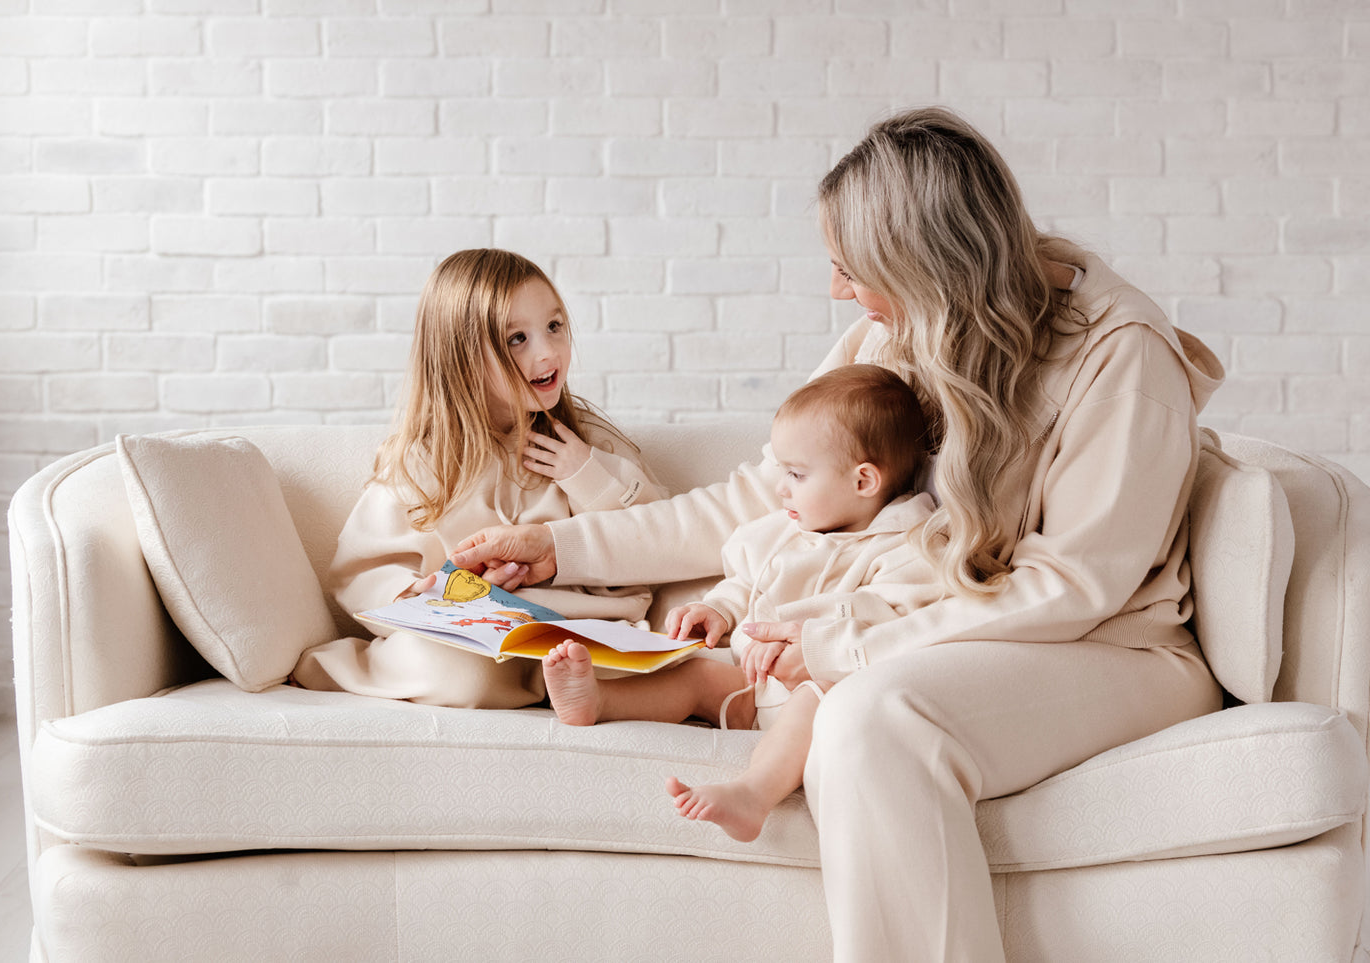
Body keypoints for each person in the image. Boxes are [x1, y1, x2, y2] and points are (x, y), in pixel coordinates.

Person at [451, 107, 1226, 962]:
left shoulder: (1121, 353)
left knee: (872, 713)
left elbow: (1075, 585)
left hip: (1115, 649)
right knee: (848, 712)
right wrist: (565, 547)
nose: (836, 291)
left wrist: (851, 637)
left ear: (927, 263)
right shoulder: (899, 332)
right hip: (964, 635)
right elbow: (771, 493)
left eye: (849, 268)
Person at [540, 364, 943, 844]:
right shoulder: (788, 528)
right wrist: (721, 609)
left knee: (820, 700)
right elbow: (746, 578)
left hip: (813, 695)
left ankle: (753, 793)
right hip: (752, 687)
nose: (781, 489)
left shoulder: (905, 546)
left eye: (796, 474)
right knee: (695, 677)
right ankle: (600, 701)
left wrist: (813, 639)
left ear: (863, 481)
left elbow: (892, 616)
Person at [291, 248, 667, 709]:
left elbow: (660, 535)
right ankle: (345, 668)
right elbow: (364, 570)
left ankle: (564, 686)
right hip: (473, 637)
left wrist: (588, 477)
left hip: (580, 632)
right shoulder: (424, 460)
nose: (548, 352)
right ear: (461, 356)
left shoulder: (588, 442)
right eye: (516, 339)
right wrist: (427, 590)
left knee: (649, 660)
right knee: (457, 673)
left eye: (554, 327)